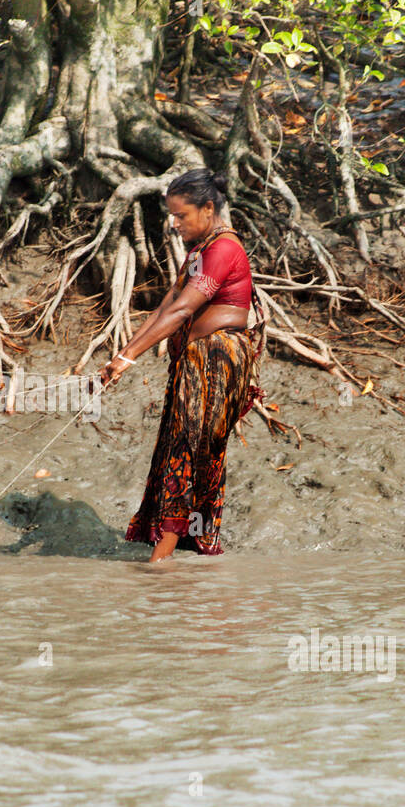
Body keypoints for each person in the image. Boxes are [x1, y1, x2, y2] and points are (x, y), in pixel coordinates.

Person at [98, 168, 266, 562]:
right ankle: (173, 553)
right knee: (179, 449)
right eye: (172, 216)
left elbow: (185, 309)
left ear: (208, 208)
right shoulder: (199, 252)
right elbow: (166, 306)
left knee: (189, 452)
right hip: (195, 362)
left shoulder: (224, 249)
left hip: (216, 361)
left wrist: (129, 356)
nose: (174, 225)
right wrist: (122, 358)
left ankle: (162, 560)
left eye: (182, 216)